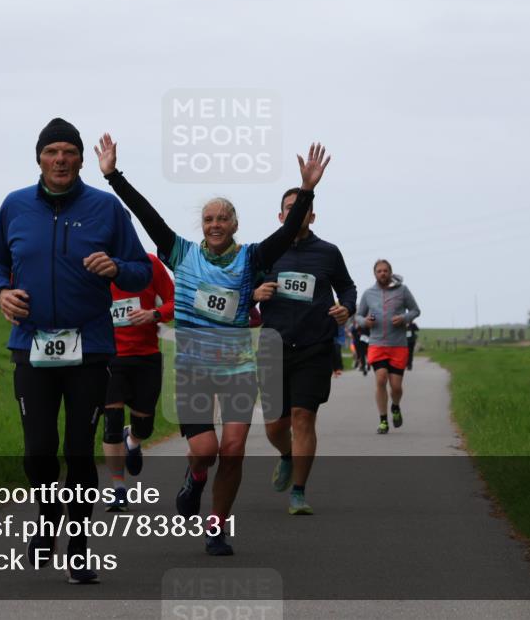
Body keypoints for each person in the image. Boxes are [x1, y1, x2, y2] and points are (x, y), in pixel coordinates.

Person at [97, 134, 330, 555]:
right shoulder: (180, 253)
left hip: (238, 370)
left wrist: (308, 188)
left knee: (234, 450)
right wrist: (114, 176)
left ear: (235, 224)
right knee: (204, 451)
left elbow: (288, 231)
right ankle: (195, 478)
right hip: (194, 370)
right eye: (208, 219)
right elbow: (146, 214)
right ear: (201, 226)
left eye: (223, 218)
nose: (216, 224)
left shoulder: (252, 258)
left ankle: (217, 526)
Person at [0, 119, 152, 584]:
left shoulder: (105, 208)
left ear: (80, 159)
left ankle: (78, 548)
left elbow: (140, 272)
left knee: (78, 452)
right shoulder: (15, 206)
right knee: (38, 452)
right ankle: (48, 513)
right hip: (31, 347)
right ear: (39, 158)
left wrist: (116, 266)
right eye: (52, 151)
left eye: (69, 152)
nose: (60, 159)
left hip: (90, 349)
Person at [251, 188, 356, 515]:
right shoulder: (265, 252)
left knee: (303, 417)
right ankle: (285, 455)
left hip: (314, 346)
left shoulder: (328, 252)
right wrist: (257, 291)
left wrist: (347, 308)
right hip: (274, 346)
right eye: (289, 209)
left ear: (312, 215)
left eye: (303, 208)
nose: (297, 213)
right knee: (274, 426)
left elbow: (348, 288)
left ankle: (298, 491)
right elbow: (243, 291)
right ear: (281, 217)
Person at [103, 253, 175, 511]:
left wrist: (154, 314)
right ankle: (118, 489)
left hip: (146, 357)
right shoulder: (94, 264)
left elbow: (173, 301)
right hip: (109, 356)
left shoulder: (149, 263)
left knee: (144, 426)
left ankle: (132, 440)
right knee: (110, 422)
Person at [355, 260, 421, 434]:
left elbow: (415, 310)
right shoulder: (369, 293)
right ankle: (383, 420)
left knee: (396, 387)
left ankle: (396, 406)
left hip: (398, 345)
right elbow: (358, 316)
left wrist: (404, 319)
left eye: (385, 270)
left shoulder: (402, 290)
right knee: (381, 379)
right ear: (375, 274)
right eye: (379, 271)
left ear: (390, 272)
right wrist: (365, 322)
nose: (382, 273)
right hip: (377, 344)